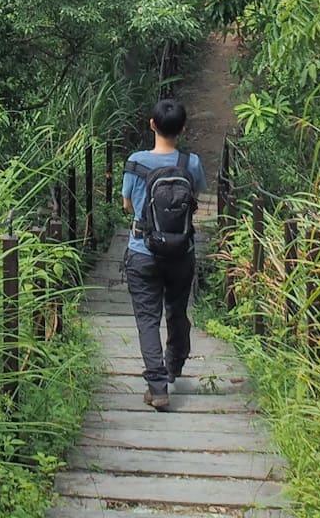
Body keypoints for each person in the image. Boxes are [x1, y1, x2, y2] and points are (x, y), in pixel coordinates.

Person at [121, 96, 205, 411]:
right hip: (182, 251)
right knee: (177, 310)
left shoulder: (135, 161)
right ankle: (173, 365)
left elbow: (127, 205)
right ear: (182, 128)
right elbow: (194, 195)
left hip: (143, 250)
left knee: (147, 318)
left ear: (152, 125)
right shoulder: (190, 163)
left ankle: (157, 388)